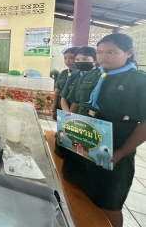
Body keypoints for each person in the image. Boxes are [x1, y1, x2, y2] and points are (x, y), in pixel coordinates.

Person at [61, 33, 146, 227]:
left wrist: (122, 152)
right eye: (100, 52)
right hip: (80, 143)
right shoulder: (91, 75)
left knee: (109, 202)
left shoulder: (139, 81)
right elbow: (77, 104)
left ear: (129, 53)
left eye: (112, 52)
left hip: (113, 149)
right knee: (75, 190)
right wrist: (66, 129)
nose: (104, 56)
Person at [60, 46, 96, 111]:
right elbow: (67, 98)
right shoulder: (77, 76)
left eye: (85, 59)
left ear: (95, 60)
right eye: (77, 59)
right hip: (76, 114)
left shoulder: (99, 76)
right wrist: (68, 115)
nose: (81, 62)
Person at [51, 47, 78, 119]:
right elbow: (57, 91)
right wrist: (54, 108)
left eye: (71, 58)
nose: (67, 61)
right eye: (65, 58)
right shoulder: (64, 73)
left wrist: (69, 115)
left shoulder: (83, 75)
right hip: (61, 107)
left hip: (74, 110)